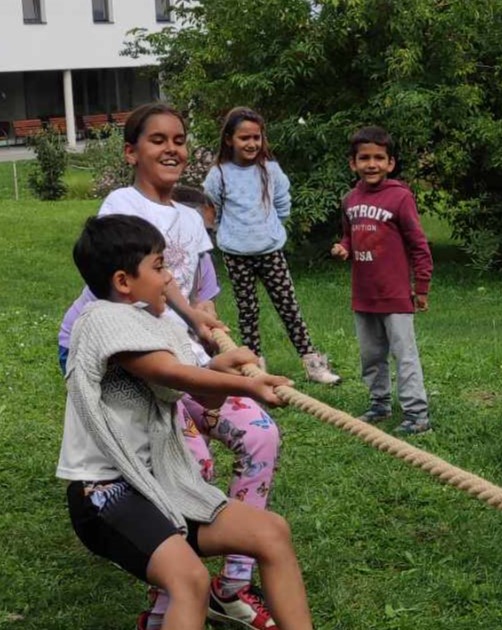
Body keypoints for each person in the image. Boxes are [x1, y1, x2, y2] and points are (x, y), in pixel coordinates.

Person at [57, 103, 285, 630]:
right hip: (133, 355)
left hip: (181, 353)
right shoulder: (123, 205)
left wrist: (213, 339)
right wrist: (204, 347)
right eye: (157, 139)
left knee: (261, 435)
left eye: (179, 139)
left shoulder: (189, 216)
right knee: (188, 458)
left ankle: (232, 583)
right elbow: (144, 290)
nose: (171, 149)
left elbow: (198, 296)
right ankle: (172, 602)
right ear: (131, 152)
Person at [203, 106, 340, 385]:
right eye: (244, 138)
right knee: (248, 312)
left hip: (270, 251)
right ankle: (255, 366)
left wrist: (268, 230)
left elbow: (282, 204)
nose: (252, 143)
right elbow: (212, 209)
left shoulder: (270, 170)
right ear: (229, 139)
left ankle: (313, 365)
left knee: (289, 307)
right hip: (236, 254)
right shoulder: (218, 174)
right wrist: (228, 232)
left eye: (256, 137)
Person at [330, 125, 433, 434]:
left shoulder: (400, 197)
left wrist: (422, 287)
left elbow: (419, 244)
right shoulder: (349, 200)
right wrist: (343, 248)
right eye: (364, 158)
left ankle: (417, 415)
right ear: (353, 163)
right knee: (371, 355)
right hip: (364, 295)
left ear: (390, 163)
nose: (371, 164)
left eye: (379, 158)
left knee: (405, 356)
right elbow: (349, 237)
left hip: (396, 295)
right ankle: (379, 404)